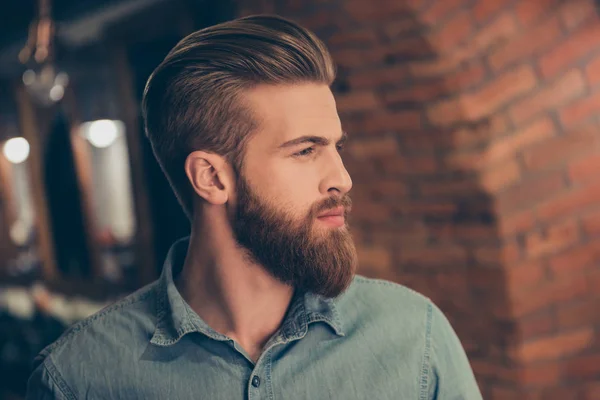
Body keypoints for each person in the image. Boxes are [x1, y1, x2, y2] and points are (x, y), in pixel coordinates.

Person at [26, 15, 482, 399]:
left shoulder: (414, 337)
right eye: (305, 150)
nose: (341, 178)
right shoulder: (77, 378)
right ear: (212, 177)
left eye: (335, 146)